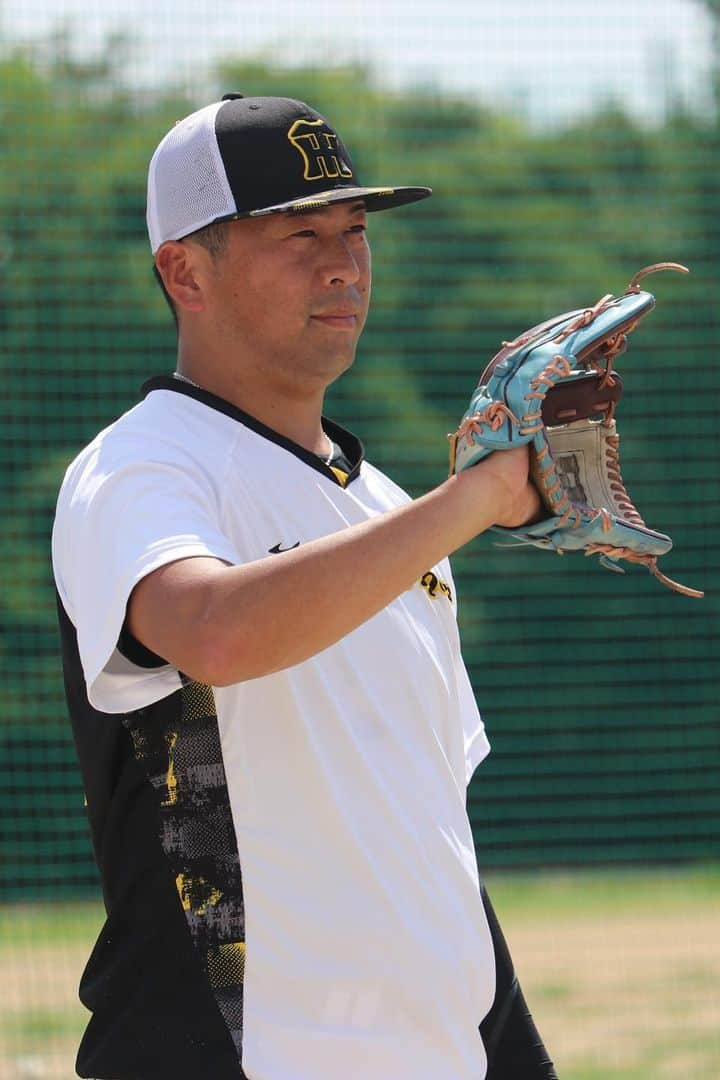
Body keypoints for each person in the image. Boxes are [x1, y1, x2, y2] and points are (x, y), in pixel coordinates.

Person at [51, 93, 557, 1080]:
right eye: (299, 234)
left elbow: (423, 824)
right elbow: (213, 633)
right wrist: (479, 497)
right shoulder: (142, 468)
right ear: (183, 269)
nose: (343, 263)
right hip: (238, 1052)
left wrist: (508, 1050)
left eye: (356, 230)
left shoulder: (390, 505)